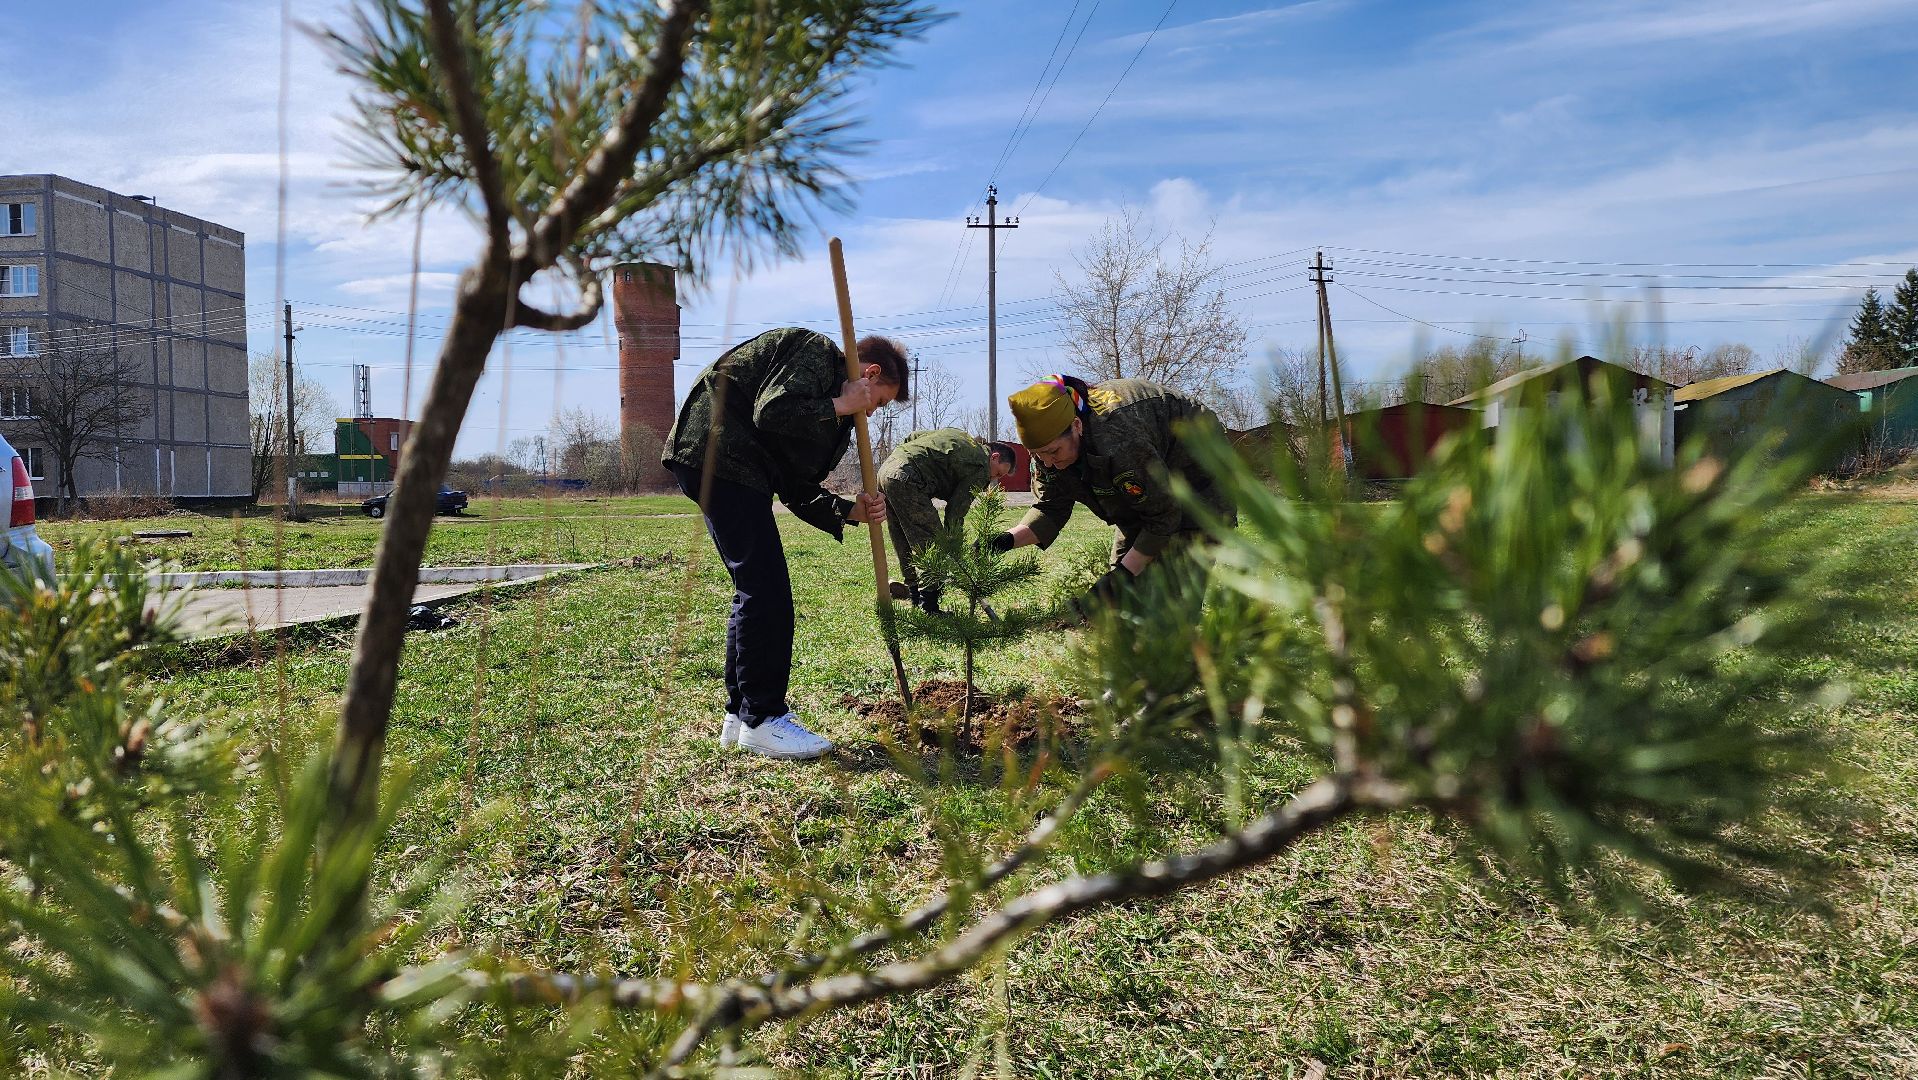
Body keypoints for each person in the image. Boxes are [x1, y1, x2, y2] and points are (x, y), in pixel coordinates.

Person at [662, 327, 908, 760]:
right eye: (880, 401)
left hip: (733, 465)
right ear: (869, 374)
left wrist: (849, 510)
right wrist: (841, 404)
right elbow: (771, 412)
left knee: (755, 588)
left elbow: (795, 483)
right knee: (766, 591)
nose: (871, 414)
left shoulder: (832, 415)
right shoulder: (814, 352)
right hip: (720, 453)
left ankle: (740, 715)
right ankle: (763, 718)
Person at [989, 374, 1234, 608]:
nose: (1048, 462)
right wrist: (1004, 541)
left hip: (1198, 486)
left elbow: (1163, 516)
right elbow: (1050, 508)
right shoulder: (1047, 455)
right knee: (1122, 601)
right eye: (1038, 455)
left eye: (1053, 452)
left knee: (1171, 603)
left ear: (1076, 426)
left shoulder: (1118, 436)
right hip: (1144, 500)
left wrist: (1122, 577)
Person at [876, 428, 1018, 612]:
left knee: (903, 537)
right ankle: (929, 606)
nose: (993, 479)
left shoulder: (959, 436)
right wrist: (954, 546)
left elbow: (913, 437)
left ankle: (914, 595)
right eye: (998, 474)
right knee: (933, 541)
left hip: (887, 470)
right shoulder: (981, 466)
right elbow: (955, 513)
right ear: (994, 456)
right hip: (907, 478)